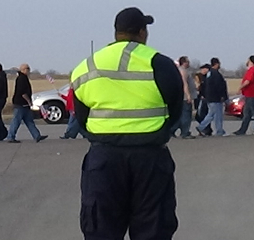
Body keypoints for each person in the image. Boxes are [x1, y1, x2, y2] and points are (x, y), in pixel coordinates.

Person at [71, 7, 182, 239]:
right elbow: (175, 111)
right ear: (142, 32)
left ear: (116, 32)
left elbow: (81, 117)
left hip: (104, 159)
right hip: (150, 159)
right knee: (153, 230)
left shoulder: (88, 66)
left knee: (102, 230)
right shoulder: (160, 64)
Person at [6, 63, 47, 143]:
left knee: (29, 121)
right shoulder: (21, 78)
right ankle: (10, 137)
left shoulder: (24, 78)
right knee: (16, 121)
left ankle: (37, 136)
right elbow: (22, 92)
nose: (29, 70)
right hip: (20, 103)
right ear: (23, 70)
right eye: (27, 69)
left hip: (24, 105)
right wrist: (29, 101)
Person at [196, 58, 228, 136]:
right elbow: (219, 86)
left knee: (211, 114)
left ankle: (202, 127)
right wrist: (222, 96)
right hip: (216, 98)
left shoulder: (209, 74)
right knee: (217, 115)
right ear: (216, 64)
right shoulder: (216, 74)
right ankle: (217, 130)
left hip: (210, 98)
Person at [234, 55, 254, 135]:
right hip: (249, 94)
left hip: (252, 95)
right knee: (247, 114)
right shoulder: (252, 70)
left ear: (250, 61)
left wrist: (240, 88)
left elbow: (248, 81)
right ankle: (242, 130)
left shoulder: (252, 70)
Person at [171, 56, 195, 139]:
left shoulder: (179, 70)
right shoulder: (183, 71)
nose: (189, 63)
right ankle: (185, 132)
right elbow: (185, 84)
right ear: (184, 62)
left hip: (181, 97)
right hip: (185, 97)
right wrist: (188, 96)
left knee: (180, 115)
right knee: (186, 115)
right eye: (187, 61)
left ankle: (172, 130)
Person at [194, 64, 213, 136]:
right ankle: (206, 129)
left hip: (204, 98)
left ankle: (205, 129)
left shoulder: (206, 78)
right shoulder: (202, 77)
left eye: (203, 69)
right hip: (200, 97)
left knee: (201, 115)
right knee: (202, 115)